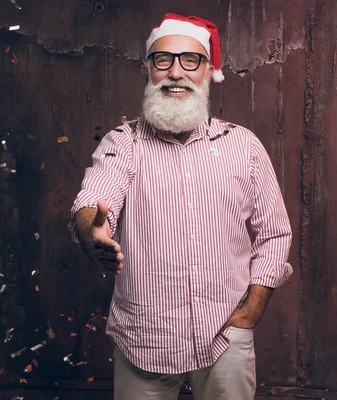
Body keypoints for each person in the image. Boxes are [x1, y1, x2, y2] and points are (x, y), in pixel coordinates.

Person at [70, 13, 293, 400]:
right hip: (144, 336)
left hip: (225, 335)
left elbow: (274, 233)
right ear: (146, 73)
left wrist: (252, 309)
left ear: (208, 73)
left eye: (190, 60)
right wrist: (93, 232)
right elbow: (92, 201)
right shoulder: (123, 144)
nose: (176, 72)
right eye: (163, 60)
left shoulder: (243, 145)